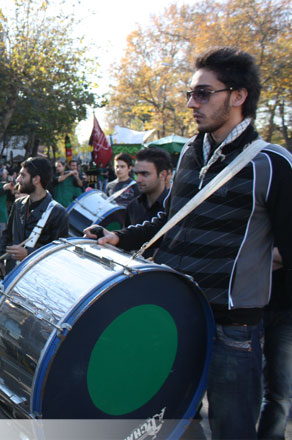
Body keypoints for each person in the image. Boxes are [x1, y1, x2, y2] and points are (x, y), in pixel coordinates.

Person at [86, 47, 292, 439]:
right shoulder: (189, 156)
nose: (191, 103)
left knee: (233, 429)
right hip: (176, 314)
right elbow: (171, 219)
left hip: (233, 329)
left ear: (238, 96)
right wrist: (120, 236)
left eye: (202, 93)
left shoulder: (272, 163)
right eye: (189, 94)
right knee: (175, 423)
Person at [1, 157, 69, 272]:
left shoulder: (58, 212)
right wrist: (0, 261)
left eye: (23, 176)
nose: (18, 179)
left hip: (38, 278)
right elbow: (7, 235)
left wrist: (28, 254)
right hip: (12, 275)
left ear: (36, 179)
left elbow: (59, 253)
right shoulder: (18, 204)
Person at [259, 248, 292, 439]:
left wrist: (268, 256)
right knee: (243, 388)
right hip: (249, 308)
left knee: (280, 392)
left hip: (287, 311)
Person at [125, 147, 172, 227]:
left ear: (162, 175)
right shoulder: (132, 207)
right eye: (136, 174)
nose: (138, 180)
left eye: (145, 174)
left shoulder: (172, 207)